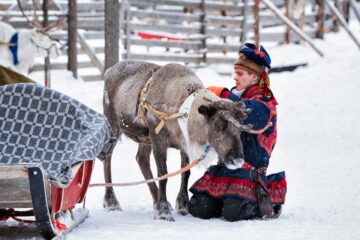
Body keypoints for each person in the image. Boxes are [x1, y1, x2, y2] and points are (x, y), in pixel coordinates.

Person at [188, 43, 287, 221]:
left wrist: (223, 95)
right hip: (226, 167)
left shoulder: (265, 103)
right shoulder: (232, 98)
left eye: (240, 74)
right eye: (235, 73)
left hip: (250, 172)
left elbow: (246, 112)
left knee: (233, 213)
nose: (235, 77)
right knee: (198, 208)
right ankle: (225, 199)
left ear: (254, 77)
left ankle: (269, 200)